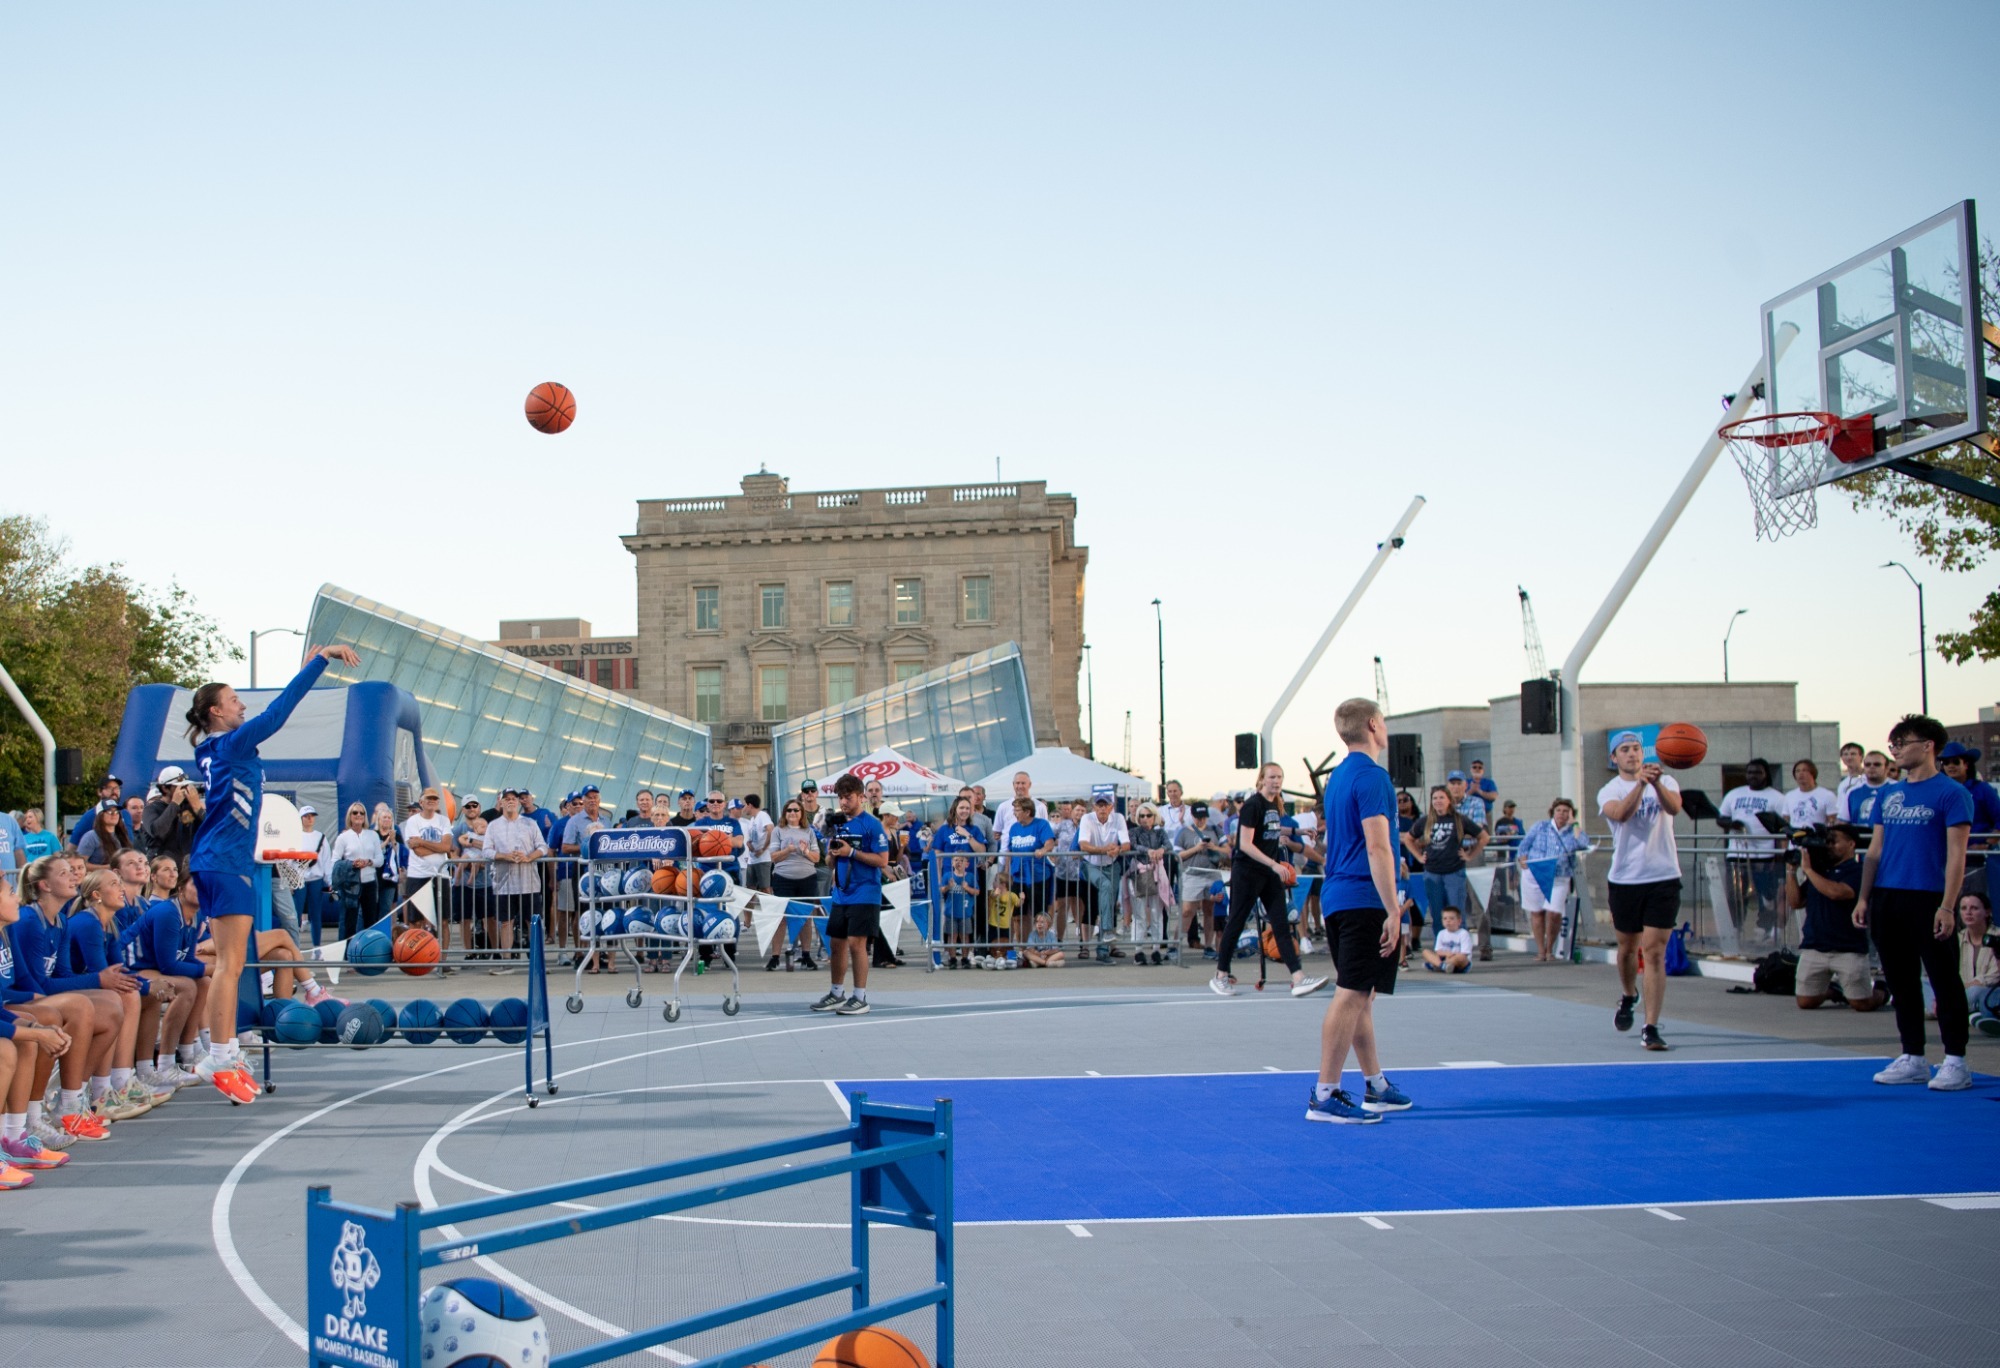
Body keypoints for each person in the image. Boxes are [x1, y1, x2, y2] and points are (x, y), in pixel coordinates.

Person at [182, 642, 359, 1103]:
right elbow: (280, 713)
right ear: (217, 711)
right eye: (235, 699)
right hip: (224, 862)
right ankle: (220, 1054)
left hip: (221, 860)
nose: (243, 704)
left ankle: (221, 1052)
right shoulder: (232, 742)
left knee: (231, 964)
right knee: (230, 965)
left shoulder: (217, 747)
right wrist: (319, 664)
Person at [1854, 714, 1975, 1090]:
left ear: (1927, 746)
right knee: (1900, 980)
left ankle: (1955, 1060)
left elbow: (1957, 856)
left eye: (1901, 744)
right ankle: (1913, 1057)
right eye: (1893, 746)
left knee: (1943, 979)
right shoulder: (1888, 794)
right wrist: (1863, 897)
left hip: (1928, 896)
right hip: (1888, 897)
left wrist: (1947, 905)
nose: (1896, 752)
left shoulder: (1952, 793)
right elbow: (1874, 851)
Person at [1309, 699, 1409, 1124]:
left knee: (1361, 995)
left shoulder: (1339, 777)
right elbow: (1377, 845)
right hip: (1363, 898)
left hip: (1339, 895)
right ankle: (1325, 1093)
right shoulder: (1373, 777)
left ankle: (1376, 1084)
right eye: (1383, 721)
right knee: (1351, 994)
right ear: (1373, 724)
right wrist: (1393, 908)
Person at [1599, 729, 1684, 1051]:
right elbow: (1620, 814)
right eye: (1625, 749)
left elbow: (1674, 809)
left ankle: (1651, 1025)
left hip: (1662, 876)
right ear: (1614, 757)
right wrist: (1641, 785)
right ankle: (1629, 994)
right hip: (1625, 879)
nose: (1632, 754)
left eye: (1636, 748)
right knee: (1627, 950)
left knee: (1654, 952)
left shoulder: (1667, 780)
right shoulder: (1610, 789)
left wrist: (1657, 783)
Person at [1212, 764, 1325, 998]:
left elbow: (1270, 827)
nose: (1277, 781)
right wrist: (1274, 863)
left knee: (1281, 925)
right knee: (1236, 921)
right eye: (1272, 777)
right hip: (1248, 872)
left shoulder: (1274, 804)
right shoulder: (1253, 804)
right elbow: (1245, 843)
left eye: (1280, 777)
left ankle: (1298, 978)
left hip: (1268, 873)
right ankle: (1221, 975)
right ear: (1262, 779)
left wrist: (1298, 832)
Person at [810, 774, 887, 1016]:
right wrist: (832, 856)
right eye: (841, 797)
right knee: (836, 943)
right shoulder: (838, 823)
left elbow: (883, 860)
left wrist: (852, 853)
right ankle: (836, 992)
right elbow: (829, 860)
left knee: (857, 943)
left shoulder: (872, 824)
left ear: (861, 797)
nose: (844, 802)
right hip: (841, 892)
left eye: (849, 797)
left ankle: (860, 996)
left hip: (865, 891)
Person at [1786, 822, 1882, 1011]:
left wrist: (1809, 871)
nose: (1828, 846)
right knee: (1805, 1002)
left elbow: (1838, 893)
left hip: (1848, 948)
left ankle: (1882, 991)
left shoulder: (1857, 870)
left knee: (1862, 1004)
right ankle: (1835, 991)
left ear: (1851, 844)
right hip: (1815, 945)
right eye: (1826, 842)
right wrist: (1791, 870)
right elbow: (1796, 902)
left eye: (1834, 842)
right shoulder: (1821, 872)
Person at [1717, 758, 1787, 948]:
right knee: (1736, 895)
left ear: (1766, 774)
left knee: (1767, 896)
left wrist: (1779, 854)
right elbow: (1721, 818)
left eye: (1757, 772)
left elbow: (1783, 827)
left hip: (1765, 854)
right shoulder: (1734, 794)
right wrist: (1732, 824)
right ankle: (1736, 930)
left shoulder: (1777, 798)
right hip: (1737, 852)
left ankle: (1763, 930)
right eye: (1749, 772)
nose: (1753, 776)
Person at [1515, 799, 1593, 963]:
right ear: (1553, 811)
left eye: (1566, 811)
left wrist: (1576, 824)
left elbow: (1584, 843)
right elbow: (1524, 845)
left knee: (1554, 912)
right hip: (1535, 873)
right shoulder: (1540, 826)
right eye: (1559, 810)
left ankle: (1550, 948)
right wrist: (1522, 858)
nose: (1562, 814)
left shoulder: (1573, 831)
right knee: (1536, 912)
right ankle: (1541, 951)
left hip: (1560, 876)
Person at [1405, 787, 1484, 941]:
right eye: (1435, 798)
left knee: (1456, 912)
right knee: (1437, 913)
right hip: (1432, 872)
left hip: (1454, 872)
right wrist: (1419, 856)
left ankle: (1460, 949)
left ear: (1448, 800)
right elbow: (1409, 838)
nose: (1438, 801)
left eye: (1441, 797)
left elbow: (1483, 837)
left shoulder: (1460, 820)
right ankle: (1441, 948)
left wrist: (1470, 855)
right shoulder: (1425, 821)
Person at [766, 798, 822, 972]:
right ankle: (775, 956)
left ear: (801, 813)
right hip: (783, 877)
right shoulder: (778, 831)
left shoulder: (809, 831)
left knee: (805, 918)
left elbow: (816, 858)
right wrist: (788, 850)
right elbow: (774, 857)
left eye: (796, 810)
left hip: (807, 878)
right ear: (785, 813)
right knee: (780, 918)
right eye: (789, 810)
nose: (792, 813)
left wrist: (805, 851)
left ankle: (806, 955)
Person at [1001, 796, 1056, 968]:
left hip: (1039, 875)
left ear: (1027, 811)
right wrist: (1006, 874)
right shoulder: (1014, 828)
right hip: (1018, 876)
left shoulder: (1041, 824)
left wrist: (1042, 850)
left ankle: (1042, 949)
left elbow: (1050, 843)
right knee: (1018, 916)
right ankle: (1024, 949)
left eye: (1017, 810)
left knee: (1039, 914)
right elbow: (1010, 850)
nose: (1015, 814)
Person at [1077, 786, 1130, 960]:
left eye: (1105, 805)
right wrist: (1104, 850)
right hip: (1091, 864)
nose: (1102, 808)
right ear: (1094, 807)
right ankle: (1106, 931)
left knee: (1109, 903)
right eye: (1098, 805)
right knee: (1104, 888)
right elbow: (1083, 845)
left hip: (1111, 864)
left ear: (1111, 807)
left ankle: (1103, 950)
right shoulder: (1087, 819)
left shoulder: (1119, 818)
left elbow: (1126, 844)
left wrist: (1118, 849)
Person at [401, 788, 458, 946]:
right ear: (421, 802)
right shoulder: (413, 821)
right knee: (416, 919)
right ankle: (415, 956)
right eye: (429, 798)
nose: (432, 801)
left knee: (443, 920)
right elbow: (417, 851)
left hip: (441, 875)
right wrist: (437, 846)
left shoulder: (443, 821)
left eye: (435, 798)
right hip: (418, 874)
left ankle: (443, 959)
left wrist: (422, 841)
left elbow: (446, 847)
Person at [328, 803, 384, 941]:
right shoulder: (344, 837)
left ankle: (369, 951)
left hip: (369, 882)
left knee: (370, 919)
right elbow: (334, 860)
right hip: (350, 885)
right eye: (355, 813)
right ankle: (346, 953)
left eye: (361, 813)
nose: (358, 815)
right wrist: (351, 864)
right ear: (350, 816)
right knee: (348, 921)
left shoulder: (372, 836)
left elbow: (380, 859)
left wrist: (369, 862)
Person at [1175, 802, 1226, 957]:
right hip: (1192, 874)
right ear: (1192, 816)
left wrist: (1214, 848)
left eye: (1203, 817)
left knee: (1209, 910)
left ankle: (1209, 946)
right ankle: (1176, 944)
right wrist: (1196, 849)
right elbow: (1178, 855)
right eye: (1198, 817)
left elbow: (1228, 850)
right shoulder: (1184, 832)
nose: (1201, 821)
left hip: (1212, 874)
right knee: (1187, 911)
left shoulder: (1215, 830)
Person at [1939, 743, 2000, 867]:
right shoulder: (1938, 792)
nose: (1950, 766)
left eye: (1955, 762)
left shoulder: (1982, 789)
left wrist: (1987, 845)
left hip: (1977, 858)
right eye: (1946, 762)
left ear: (1966, 764)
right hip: (1945, 857)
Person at [139, 766, 204, 871]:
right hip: (161, 866)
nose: (183, 789)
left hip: (185, 866)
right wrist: (175, 803)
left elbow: (210, 829)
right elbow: (157, 831)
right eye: (178, 787)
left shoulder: (188, 807)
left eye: (185, 785)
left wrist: (198, 808)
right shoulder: (151, 809)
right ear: (165, 788)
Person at [1953, 891, 2000, 1034]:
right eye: (1964, 908)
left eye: (1974, 908)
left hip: (1985, 989)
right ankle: (1972, 1014)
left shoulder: (1997, 937)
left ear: (1987, 912)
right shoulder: (1956, 939)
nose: (1968, 912)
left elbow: (1994, 976)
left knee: (1975, 992)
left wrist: (1960, 989)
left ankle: (1971, 1013)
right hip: (1960, 991)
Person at [938, 856, 977, 969]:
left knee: (965, 936)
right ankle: (953, 958)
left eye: (961, 860)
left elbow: (977, 891)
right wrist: (948, 887)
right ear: (951, 862)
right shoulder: (947, 876)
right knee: (952, 936)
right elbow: (941, 889)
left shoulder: (970, 877)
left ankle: (965, 958)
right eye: (956, 860)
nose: (958, 862)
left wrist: (968, 888)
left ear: (967, 864)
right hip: (951, 912)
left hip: (965, 912)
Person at [1784, 759, 1839, 831]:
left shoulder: (1827, 795)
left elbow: (1833, 822)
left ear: (1812, 773)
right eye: (1797, 771)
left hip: (1817, 839)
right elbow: (1786, 821)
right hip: (1795, 840)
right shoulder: (1789, 796)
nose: (1801, 773)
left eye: (1804, 770)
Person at [982, 866, 1021, 969]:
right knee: (992, 941)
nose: (993, 883)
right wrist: (995, 895)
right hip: (994, 923)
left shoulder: (1011, 895)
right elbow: (991, 898)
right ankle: (991, 957)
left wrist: (1022, 899)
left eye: (996, 881)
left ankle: (1011, 958)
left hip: (1005, 924)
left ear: (1003, 884)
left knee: (1007, 941)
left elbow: (1018, 904)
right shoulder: (993, 893)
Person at [1845, 749, 1892, 825]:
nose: (1872, 767)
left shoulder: (1897, 789)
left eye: (1877, 764)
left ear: (1886, 768)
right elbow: (1843, 821)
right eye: (1868, 765)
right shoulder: (1852, 792)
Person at [739, 794, 773, 894]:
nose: (744, 808)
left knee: (765, 888)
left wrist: (763, 849)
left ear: (750, 805)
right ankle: (749, 910)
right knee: (750, 888)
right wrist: (749, 843)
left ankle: (768, 909)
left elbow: (771, 830)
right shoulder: (752, 819)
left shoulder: (763, 815)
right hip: (752, 859)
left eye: (745, 805)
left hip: (762, 859)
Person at [1423, 907, 1473, 973]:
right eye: (1445, 918)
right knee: (1425, 952)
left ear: (1459, 921)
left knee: (1461, 957)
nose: (1448, 921)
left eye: (1451, 918)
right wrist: (1446, 954)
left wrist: (1451, 955)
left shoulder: (1463, 933)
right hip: (1444, 957)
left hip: (1458, 960)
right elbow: (1438, 951)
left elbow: (1465, 953)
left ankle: (1437, 965)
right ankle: (1442, 966)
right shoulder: (1441, 933)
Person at [1833, 742, 1868, 814]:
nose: (1849, 757)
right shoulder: (1843, 784)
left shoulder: (1870, 779)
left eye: (1853, 754)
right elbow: (1840, 807)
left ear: (1861, 757)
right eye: (1845, 754)